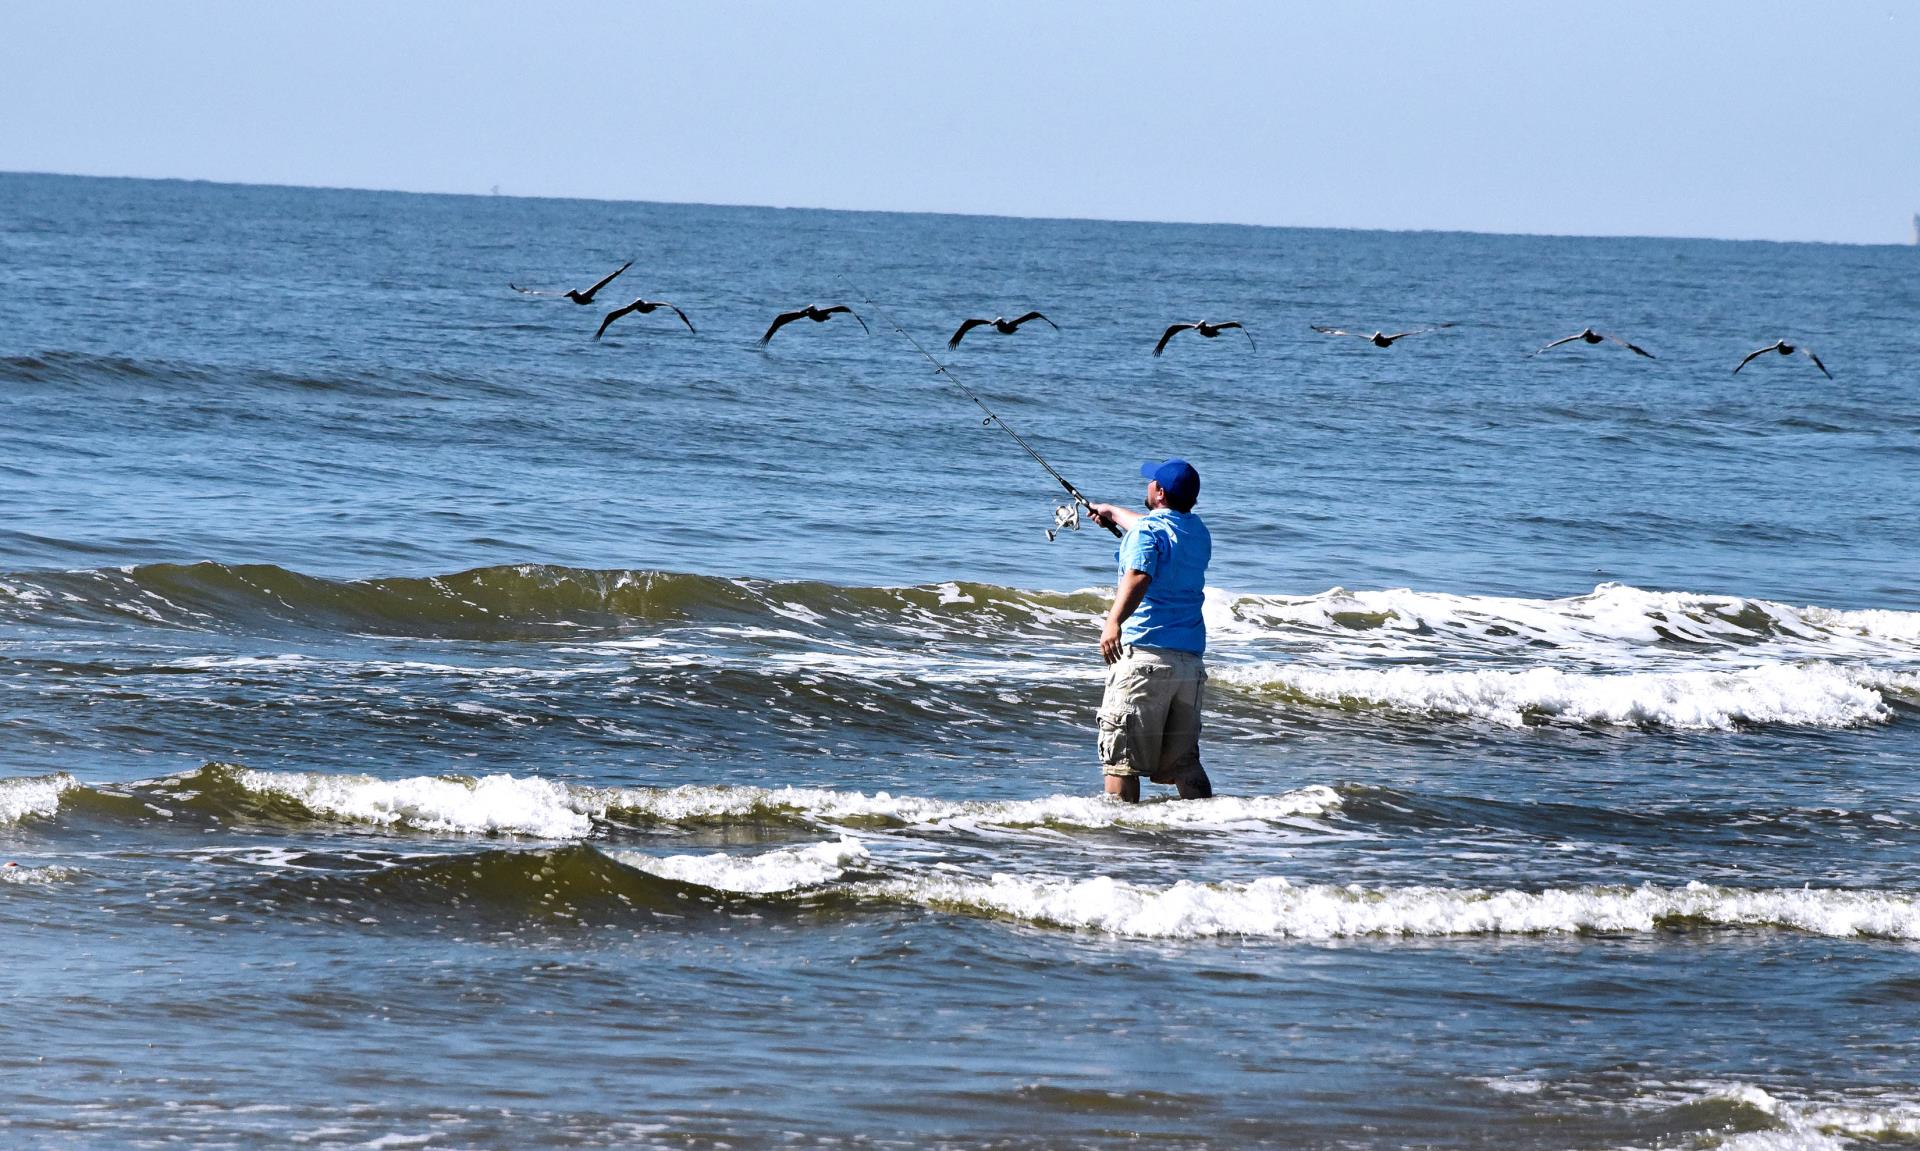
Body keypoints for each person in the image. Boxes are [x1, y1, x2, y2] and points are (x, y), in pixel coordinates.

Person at [1085, 458, 1213, 802]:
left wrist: (1113, 622)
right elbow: (1155, 527)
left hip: (1145, 660)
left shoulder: (1146, 532)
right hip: (1188, 667)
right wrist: (1112, 512)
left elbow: (1140, 574)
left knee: (1121, 763)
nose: (1148, 485)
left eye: (1151, 482)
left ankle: (1121, 843)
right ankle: (1206, 828)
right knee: (1185, 762)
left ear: (1158, 492)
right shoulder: (1198, 532)